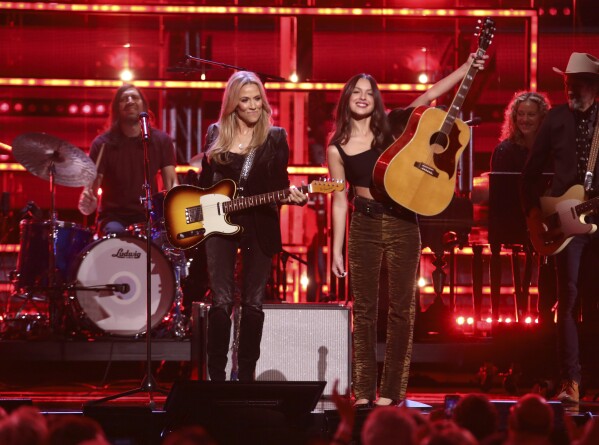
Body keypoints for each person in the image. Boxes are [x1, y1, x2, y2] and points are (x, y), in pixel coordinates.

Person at [327, 53, 487, 407]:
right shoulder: (336, 147)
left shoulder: (395, 124)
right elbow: (339, 201)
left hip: (402, 222)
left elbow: (428, 97)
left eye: (369, 92)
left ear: (377, 99)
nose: (363, 97)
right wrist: (336, 250)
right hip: (363, 223)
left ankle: (391, 393)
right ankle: (364, 391)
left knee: (402, 310)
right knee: (365, 311)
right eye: (356, 92)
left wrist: (465, 69)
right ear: (347, 99)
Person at [198, 71, 307, 382]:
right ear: (233, 104)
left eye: (257, 98)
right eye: (245, 100)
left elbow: (281, 185)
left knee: (253, 301)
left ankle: (245, 375)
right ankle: (216, 377)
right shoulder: (216, 133)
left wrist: (293, 197)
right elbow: (204, 184)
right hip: (220, 223)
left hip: (261, 224)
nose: (253, 105)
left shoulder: (276, 137)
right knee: (220, 300)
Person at [521, 52, 599, 406]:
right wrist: (535, 216)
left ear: (594, 87)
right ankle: (571, 381)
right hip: (565, 222)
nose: (571, 89)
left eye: (578, 83)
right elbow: (529, 176)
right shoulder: (555, 119)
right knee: (566, 303)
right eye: (568, 83)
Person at [78, 84, 177, 235]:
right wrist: (87, 203)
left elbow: (171, 184)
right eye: (124, 99)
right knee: (116, 233)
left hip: (149, 217)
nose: (130, 101)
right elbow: (90, 193)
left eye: (134, 97)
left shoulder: (162, 141)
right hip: (113, 218)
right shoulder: (102, 144)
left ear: (144, 105)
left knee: (163, 240)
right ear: (117, 109)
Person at [490, 91, 554, 324]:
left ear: (542, 118)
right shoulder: (505, 150)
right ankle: (501, 316)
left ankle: (546, 312)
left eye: (531, 115)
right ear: (514, 118)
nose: (525, 119)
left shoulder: (552, 150)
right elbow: (501, 196)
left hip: (546, 217)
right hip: (513, 219)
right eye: (521, 114)